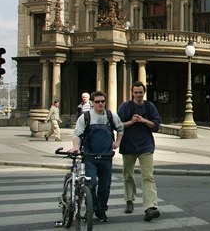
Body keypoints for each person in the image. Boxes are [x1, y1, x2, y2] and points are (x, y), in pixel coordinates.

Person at [69, 91, 124, 223]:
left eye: (102, 101)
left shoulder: (111, 115)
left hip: (106, 156)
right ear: (92, 103)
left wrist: (117, 143)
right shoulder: (85, 117)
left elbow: (120, 129)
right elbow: (77, 134)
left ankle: (101, 211)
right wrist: (76, 146)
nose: (100, 104)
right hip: (89, 157)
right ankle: (92, 207)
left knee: (105, 187)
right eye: (97, 102)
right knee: (91, 183)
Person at [118, 81, 162, 222]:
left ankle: (150, 207)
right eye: (136, 92)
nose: (138, 95)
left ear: (144, 92)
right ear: (132, 93)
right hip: (128, 146)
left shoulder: (150, 106)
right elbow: (117, 125)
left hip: (145, 146)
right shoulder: (125, 107)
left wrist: (144, 120)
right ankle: (129, 200)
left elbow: (156, 125)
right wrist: (130, 122)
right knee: (128, 175)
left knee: (148, 177)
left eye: (140, 92)